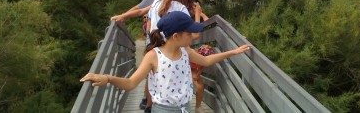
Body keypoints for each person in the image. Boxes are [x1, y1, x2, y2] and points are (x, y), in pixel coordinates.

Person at [80, 11, 251, 113]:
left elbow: (206, 60)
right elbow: (132, 83)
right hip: (163, 110)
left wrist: (232, 52)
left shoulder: (185, 51)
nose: (193, 36)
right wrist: (107, 78)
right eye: (189, 33)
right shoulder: (153, 56)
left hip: (185, 108)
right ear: (176, 36)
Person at [190, 44, 213, 113]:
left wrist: (198, 74)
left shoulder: (204, 58)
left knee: (200, 86)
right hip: (185, 67)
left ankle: (198, 107)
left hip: (194, 70)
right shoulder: (192, 53)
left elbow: (202, 66)